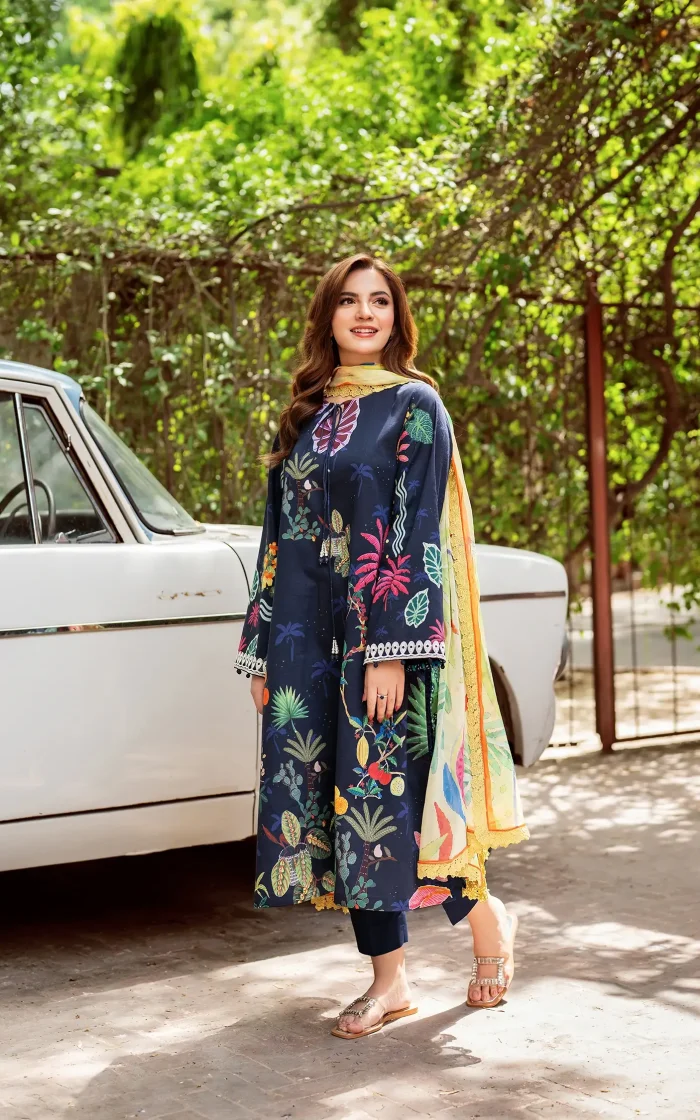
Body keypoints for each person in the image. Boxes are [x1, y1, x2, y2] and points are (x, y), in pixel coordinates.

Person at [235, 253, 529, 1038]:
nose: (365, 314)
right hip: (305, 642)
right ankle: (390, 982)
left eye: (380, 301)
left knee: (388, 805)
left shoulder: (414, 405)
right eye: (349, 301)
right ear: (327, 316)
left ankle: (485, 920)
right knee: (338, 812)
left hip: (383, 641)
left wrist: (391, 649)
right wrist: (262, 649)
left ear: (397, 317)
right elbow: (276, 537)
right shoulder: (304, 413)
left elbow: (414, 527)